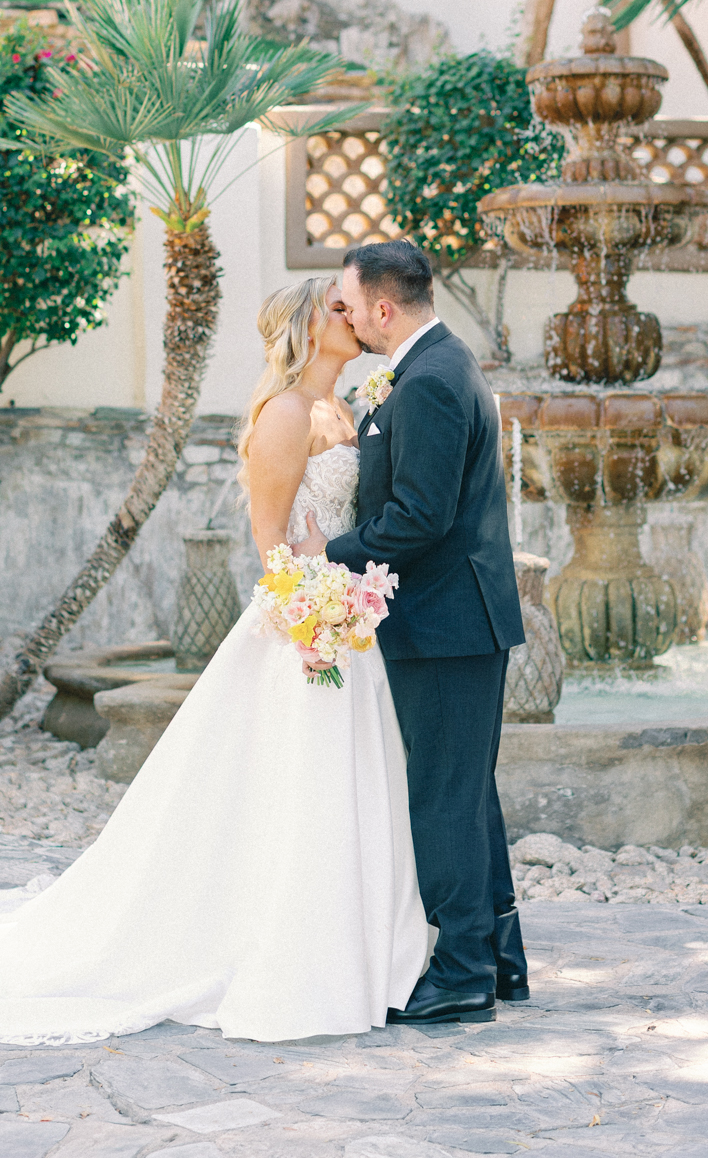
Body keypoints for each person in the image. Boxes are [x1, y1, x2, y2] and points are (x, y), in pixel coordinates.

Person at [0, 277, 429, 1045]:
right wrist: (311, 623)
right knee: (296, 788)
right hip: (304, 633)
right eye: (337, 307)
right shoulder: (283, 414)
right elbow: (271, 544)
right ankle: (296, 955)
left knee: (337, 787)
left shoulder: (342, 408)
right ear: (306, 327)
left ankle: (358, 947)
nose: (354, 313)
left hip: (345, 625)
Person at [293, 239, 529, 1026]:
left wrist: (329, 552)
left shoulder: (427, 382)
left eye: (351, 306)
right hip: (457, 618)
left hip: (445, 622)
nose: (347, 317)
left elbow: (418, 518)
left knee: (442, 799)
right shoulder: (438, 364)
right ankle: (498, 958)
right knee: (467, 794)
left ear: (383, 309)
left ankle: (462, 972)